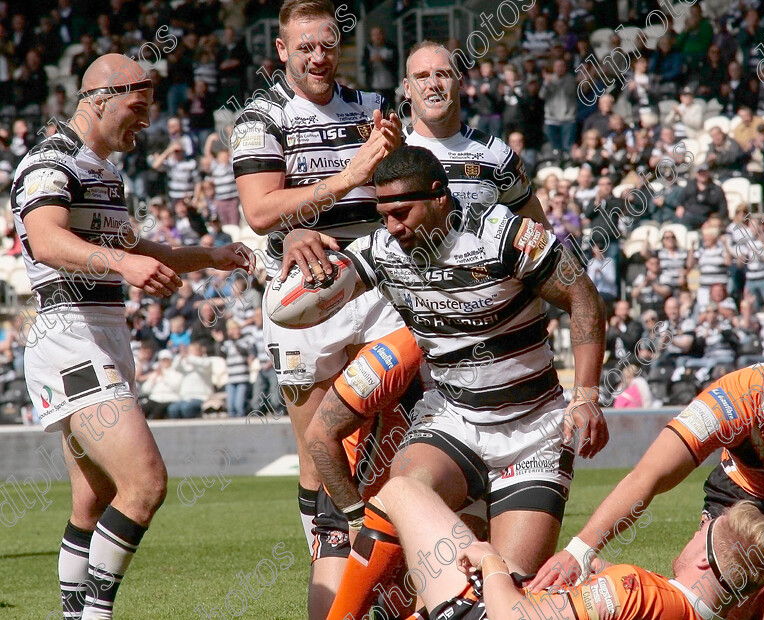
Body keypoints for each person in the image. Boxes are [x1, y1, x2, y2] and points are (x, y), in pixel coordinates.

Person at [284, 145, 608, 619]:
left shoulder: (506, 236)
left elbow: (583, 296)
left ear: (440, 198)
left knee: (506, 596)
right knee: (404, 490)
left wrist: (586, 397)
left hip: (533, 432)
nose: (392, 227)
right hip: (452, 420)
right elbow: (318, 284)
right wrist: (295, 237)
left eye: (401, 213)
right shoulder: (384, 249)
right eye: (384, 215)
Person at [11, 53, 253, 619]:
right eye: (137, 106)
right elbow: (45, 241)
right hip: (72, 333)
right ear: (99, 98)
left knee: (91, 499)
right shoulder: (49, 163)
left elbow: (143, 251)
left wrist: (211, 256)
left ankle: (75, 616)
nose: (146, 119)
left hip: (101, 333)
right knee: (144, 484)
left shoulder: (103, 172)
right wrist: (120, 265)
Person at [231, 1, 412, 616]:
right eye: (304, 46)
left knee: (387, 438)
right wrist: (338, 185)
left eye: (327, 44)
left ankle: (388, 571)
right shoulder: (260, 117)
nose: (318, 56)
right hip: (301, 297)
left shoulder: (371, 109)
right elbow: (260, 212)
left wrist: (386, 162)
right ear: (282, 50)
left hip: (376, 291)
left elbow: (399, 191)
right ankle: (332, 588)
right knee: (317, 453)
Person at [530, 343, 764, 620]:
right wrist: (580, 550)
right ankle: (608, 575)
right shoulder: (730, 401)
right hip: (742, 496)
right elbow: (647, 477)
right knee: (711, 604)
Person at [370, 476, 764, 620]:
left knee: (403, 491)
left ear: (705, 562)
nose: (698, 528)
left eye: (705, 529)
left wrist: (490, 561)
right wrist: (597, 573)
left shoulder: (637, 590)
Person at [402, 41, 549, 226]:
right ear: (407, 88)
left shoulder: (498, 155)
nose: (433, 84)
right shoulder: (387, 150)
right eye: (422, 76)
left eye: (443, 74)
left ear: (461, 82)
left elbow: (543, 237)